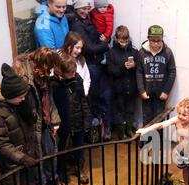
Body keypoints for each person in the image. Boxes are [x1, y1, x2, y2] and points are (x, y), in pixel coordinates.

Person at [13, 46, 65, 185]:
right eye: (48, 67)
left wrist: (54, 120)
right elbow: (22, 106)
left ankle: (54, 179)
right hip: (31, 124)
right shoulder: (24, 77)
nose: (50, 71)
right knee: (38, 158)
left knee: (51, 151)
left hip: (45, 122)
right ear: (41, 63)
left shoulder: (44, 75)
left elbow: (49, 100)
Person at [137, 98, 189, 185]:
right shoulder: (177, 120)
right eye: (179, 113)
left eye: (184, 115)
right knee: (185, 170)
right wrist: (146, 130)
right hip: (181, 152)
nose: (180, 117)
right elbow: (161, 124)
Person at [69, 0, 112, 141]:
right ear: (76, 9)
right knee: (92, 99)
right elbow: (90, 48)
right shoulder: (77, 25)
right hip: (92, 65)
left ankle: (105, 127)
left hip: (98, 64)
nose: (86, 11)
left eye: (88, 8)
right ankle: (94, 130)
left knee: (105, 96)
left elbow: (97, 38)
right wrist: (106, 45)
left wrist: (105, 38)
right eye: (83, 8)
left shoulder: (87, 19)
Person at [50, 55, 92, 185]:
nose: (74, 75)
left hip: (78, 119)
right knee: (62, 149)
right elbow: (53, 106)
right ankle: (61, 172)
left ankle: (80, 169)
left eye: (74, 72)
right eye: (70, 73)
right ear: (61, 72)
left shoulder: (77, 79)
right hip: (63, 123)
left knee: (79, 147)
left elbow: (83, 101)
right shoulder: (54, 84)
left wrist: (86, 120)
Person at [136, 25, 177, 125]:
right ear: (148, 39)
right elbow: (139, 72)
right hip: (147, 93)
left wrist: (166, 91)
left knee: (159, 120)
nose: (155, 44)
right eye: (152, 41)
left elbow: (172, 72)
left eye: (158, 41)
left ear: (162, 39)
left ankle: (157, 141)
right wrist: (141, 90)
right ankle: (146, 140)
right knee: (146, 118)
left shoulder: (167, 52)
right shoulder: (142, 53)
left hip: (160, 94)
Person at [107, 25, 139, 139]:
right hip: (118, 88)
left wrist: (134, 65)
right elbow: (111, 70)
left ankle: (129, 129)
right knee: (119, 110)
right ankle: (121, 132)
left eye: (126, 41)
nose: (124, 44)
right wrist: (123, 67)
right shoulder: (111, 52)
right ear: (116, 38)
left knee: (130, 110)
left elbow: (139, 68)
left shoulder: (134, 51)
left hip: (131, 87)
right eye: (121, 41)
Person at [59, 31, 91, 96]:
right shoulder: (58, 57)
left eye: (81, 48)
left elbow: (86, 78)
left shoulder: (81, 60)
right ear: (69, 46)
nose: (80, 51)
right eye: (77, 48)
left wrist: (84, 93)